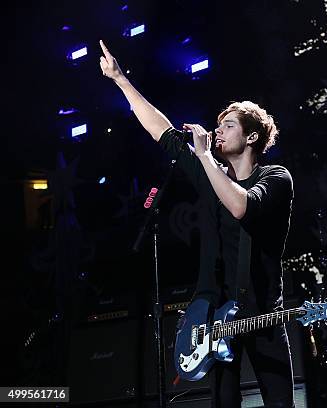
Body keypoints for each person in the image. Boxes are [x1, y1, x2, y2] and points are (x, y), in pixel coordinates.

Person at [99, 40, 295, 407]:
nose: (218, 131)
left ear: (251, 137)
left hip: (263, 315)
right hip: (213, 318)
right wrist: (120, 80)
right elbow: (163, 132)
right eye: (218, 126)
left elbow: (241, 206)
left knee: (280, 400)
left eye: (229, 126)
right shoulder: (210, 171)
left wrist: (204, 155)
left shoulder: (276, 177)